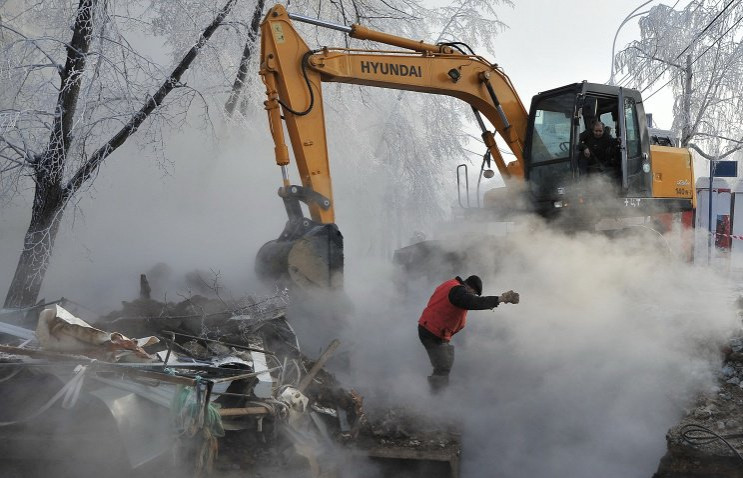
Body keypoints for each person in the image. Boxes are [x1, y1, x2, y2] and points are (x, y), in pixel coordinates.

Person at [417, 275, 519, 393]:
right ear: (471, 288)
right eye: (474, 293)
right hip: (432, 331)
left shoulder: (451, 285)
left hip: (432, 329)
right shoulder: (458, 291)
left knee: (446, 360)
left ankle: (438, 393)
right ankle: (436, 397)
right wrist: (499, 299)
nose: (472, 295)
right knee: (443, 366)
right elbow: (471, 302)